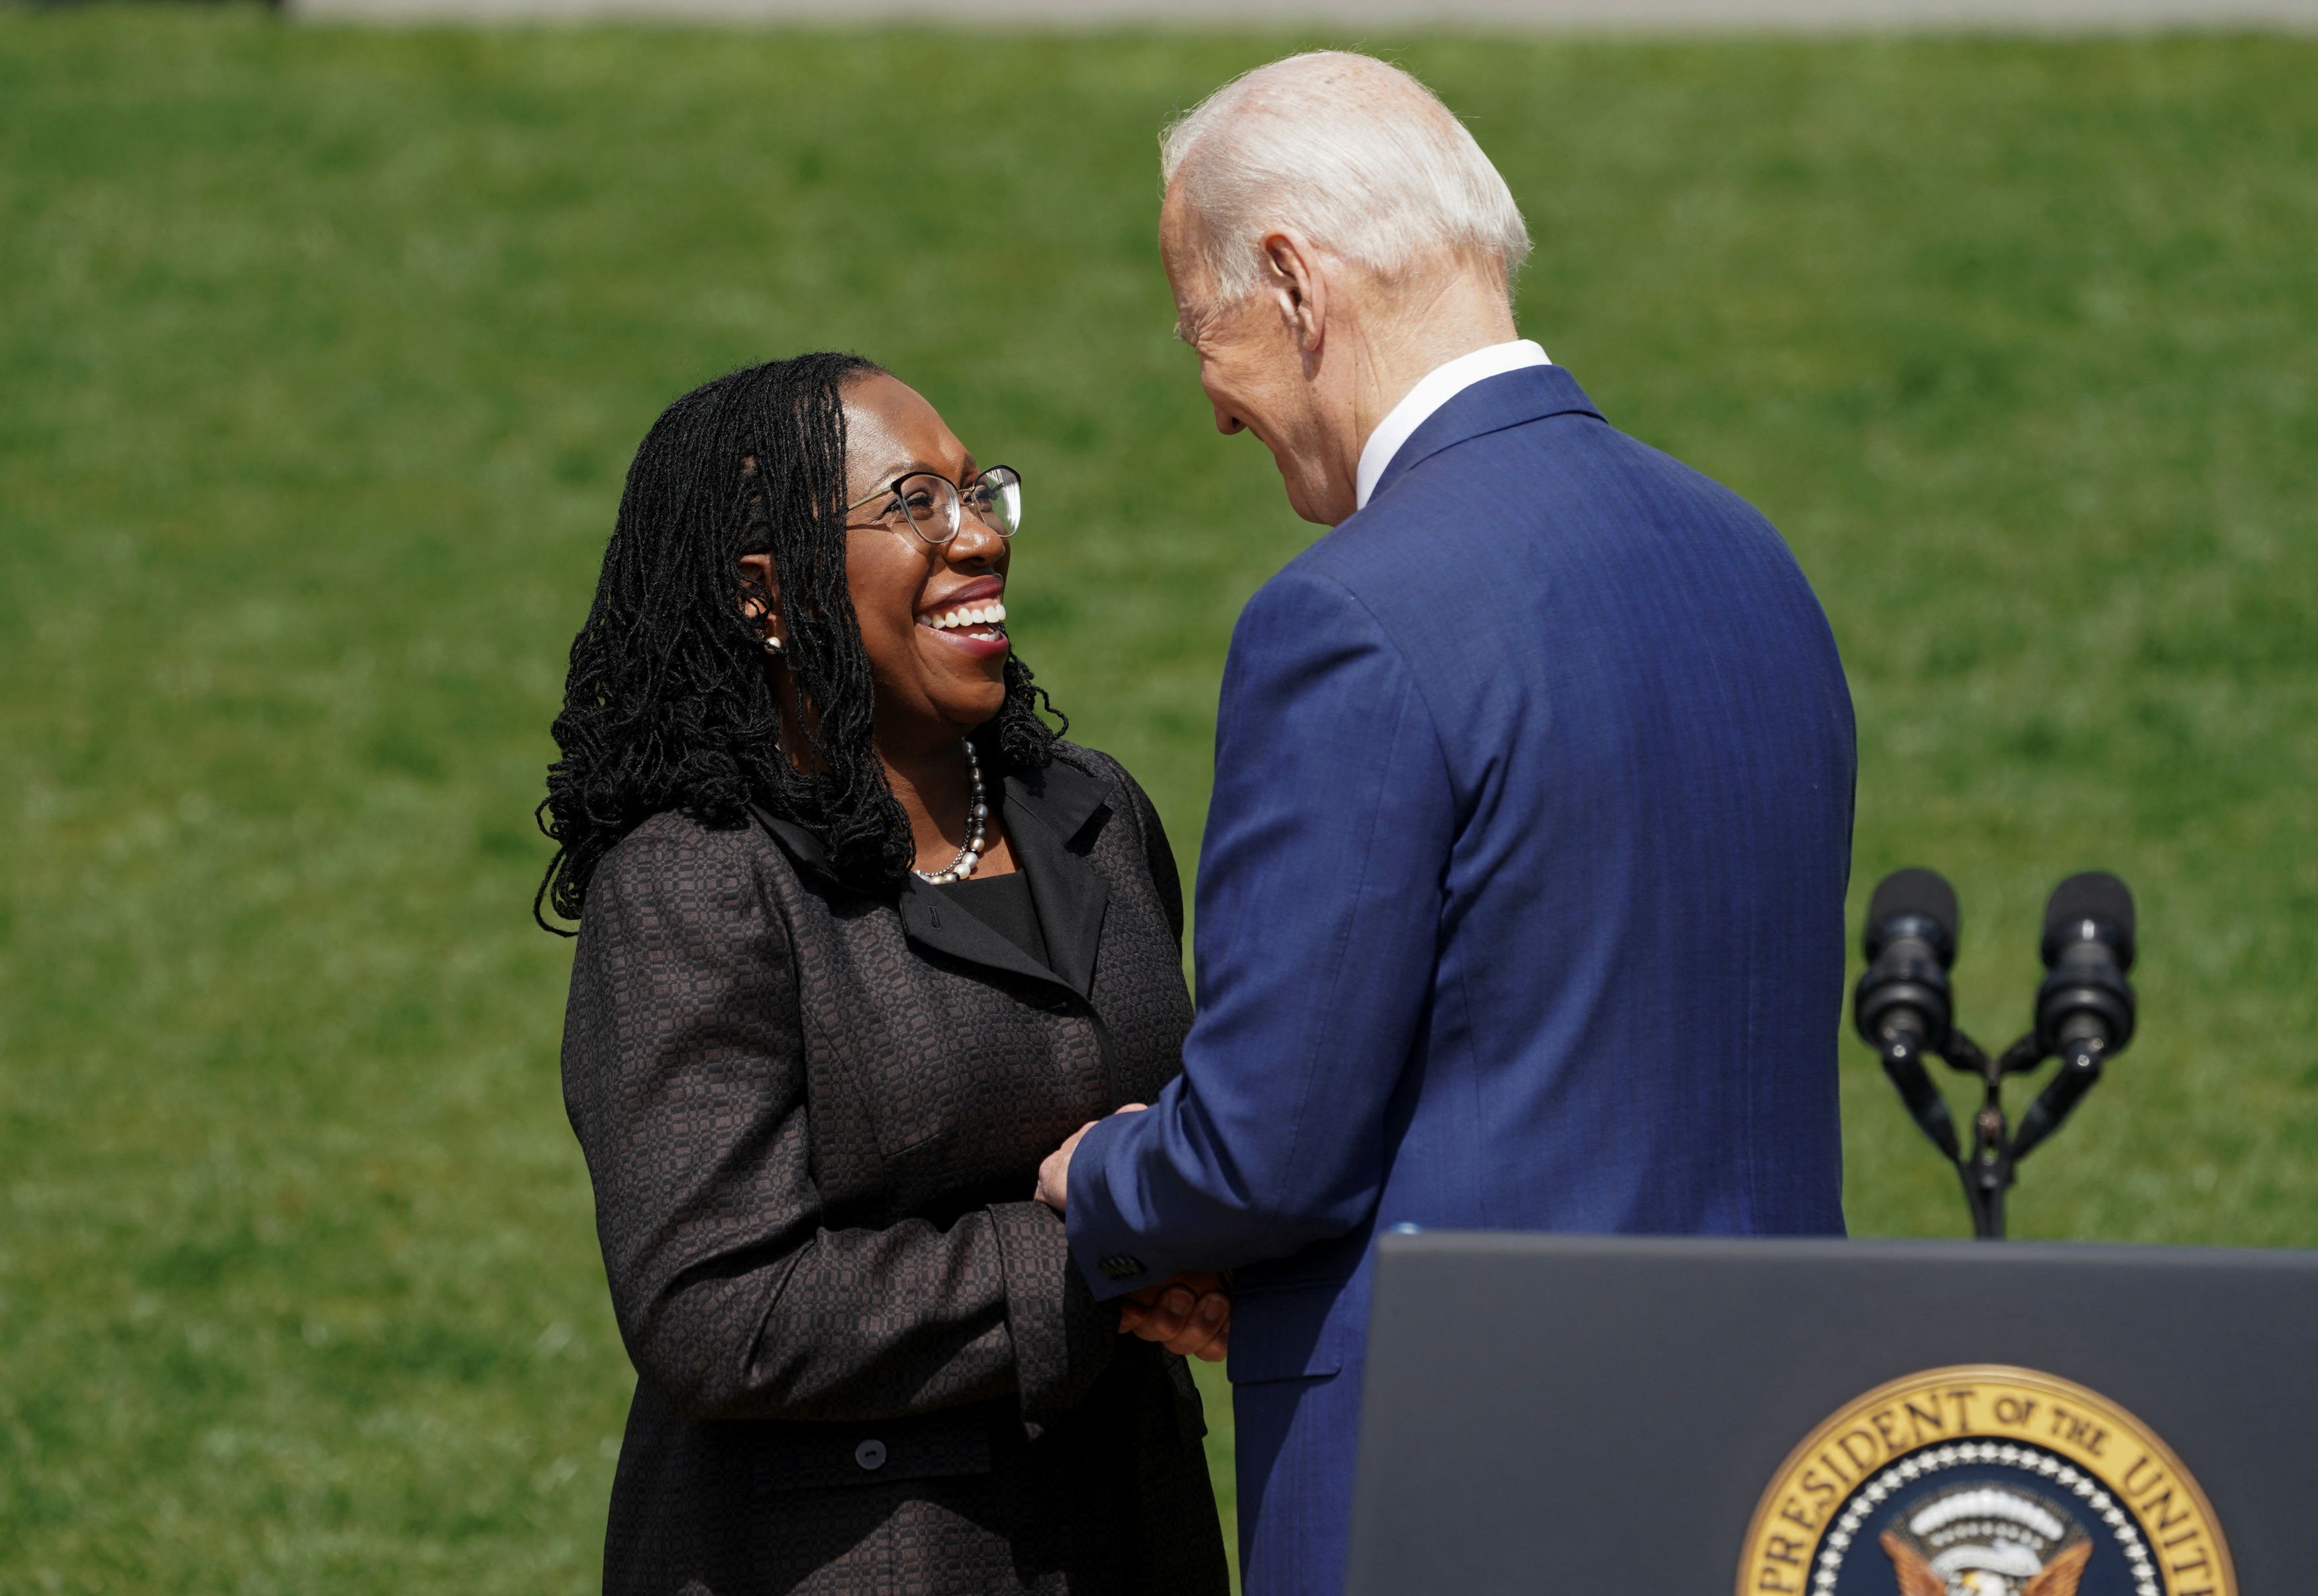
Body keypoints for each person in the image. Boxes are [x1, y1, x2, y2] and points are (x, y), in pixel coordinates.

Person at [1034, 52, 1856, 1596]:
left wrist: (1105, 1184)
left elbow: (1266, 1144)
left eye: (1195, 323)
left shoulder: (1347, 618)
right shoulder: (1755, 564)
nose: (1211, 402)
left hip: (1453, 1474)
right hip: (1760, 1461)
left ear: (1289, 281)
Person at [540, 354, 1232, 1596]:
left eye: (979, 492)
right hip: (847, 1559)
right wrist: (1099, 1251)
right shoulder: (697, 883)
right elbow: (718, 1309)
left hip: (1135, 1532)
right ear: (767, 596)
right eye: (914, 502)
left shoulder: (1096, 813)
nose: (977, 537)